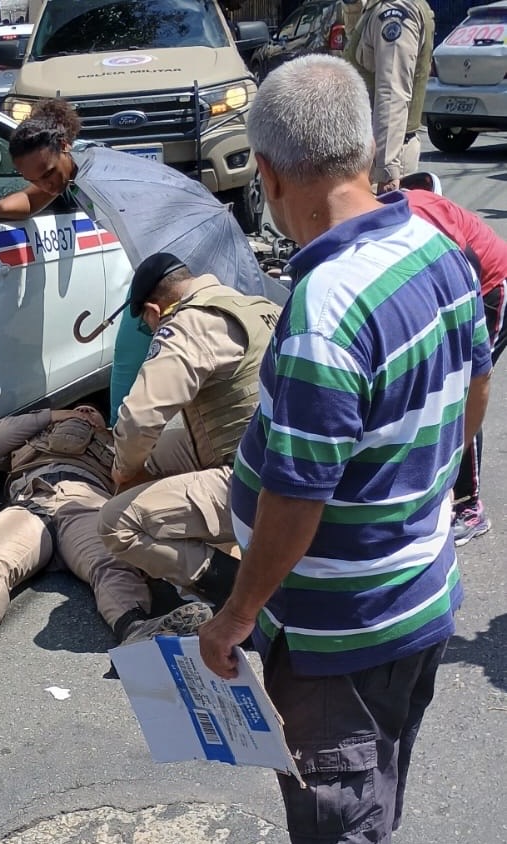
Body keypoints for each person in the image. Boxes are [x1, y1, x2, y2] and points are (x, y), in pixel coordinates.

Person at [197, 55, 491, 844]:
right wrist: (416, 492)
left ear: (265, 172)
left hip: (337, 634)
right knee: (376, 786)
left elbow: (296, 495)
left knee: (339, 819)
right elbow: (474, 387)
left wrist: (235, 615)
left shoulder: (325, 312)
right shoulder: (439, 249)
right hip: (417, 596)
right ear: (361, 149)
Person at [0, 98, 273, 424]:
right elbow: (32, 198)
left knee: (134, 370)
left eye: (49, 174)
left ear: (64, 146)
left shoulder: (99, 176)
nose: (47, 184)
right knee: (136, 371)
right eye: (36, 178)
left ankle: (121, 447)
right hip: (156, 272)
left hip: (170, 276)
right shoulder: (72, 166)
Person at [0, 405, 213, 683]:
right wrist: (55, 415)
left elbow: (165, 458)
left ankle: (137, 630)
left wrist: (110, 433)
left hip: (86, 502)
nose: (85, 412)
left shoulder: (116, 442)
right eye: (78, 409)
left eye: (92, 412)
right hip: (31, 501)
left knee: (112, 559)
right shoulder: (29, 440)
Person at [98, 253, 279, 607]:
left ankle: (243, 596)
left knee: (115, 523)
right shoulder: (257, 304)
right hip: (281, 454)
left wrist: (125, 471)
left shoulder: (191, 322)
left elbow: (139, 417)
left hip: (254, 478)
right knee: (157, 451)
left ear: (153, 310)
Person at [403, 187, 507, 544]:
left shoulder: (414, 219)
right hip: (463, 290)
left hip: (489, 287)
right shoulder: (384, 219)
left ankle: (470, 507)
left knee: (464, 392)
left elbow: (466, 271)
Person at [343, 0, 435, 192]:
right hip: (369, 157)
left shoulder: (395, 13)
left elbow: (392, 95)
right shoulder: (376, 8)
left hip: (381, 161)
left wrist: (387, 172)